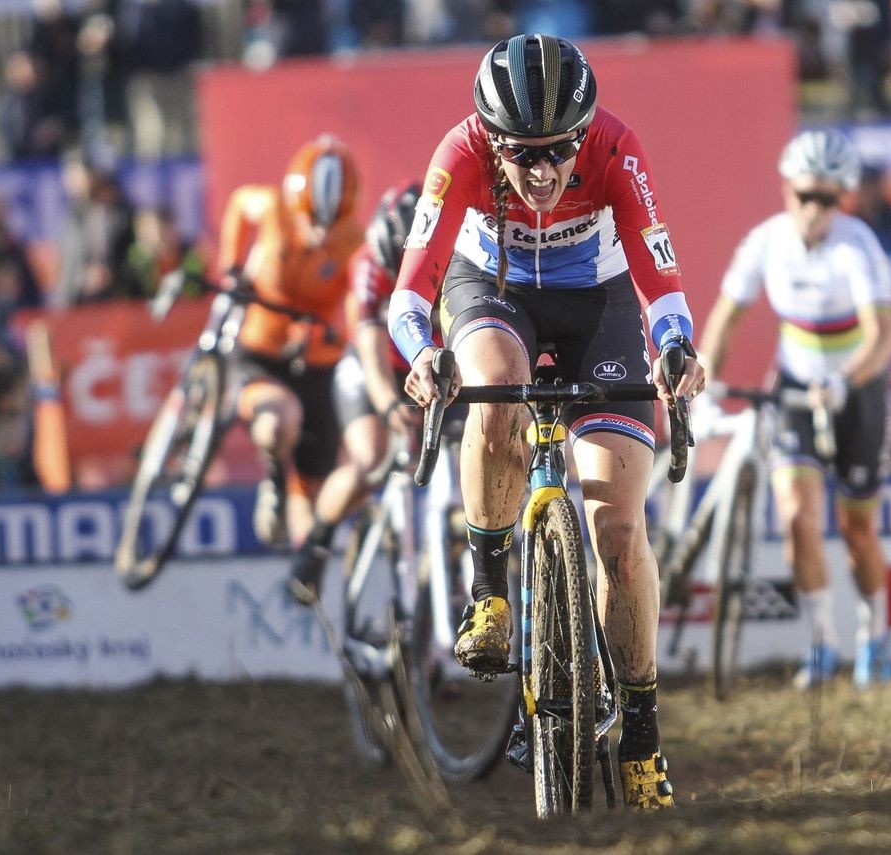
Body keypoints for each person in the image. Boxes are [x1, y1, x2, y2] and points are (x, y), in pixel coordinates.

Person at [386, 34, 705, 809]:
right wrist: (423, 355)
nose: (542, 172)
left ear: (584, 133)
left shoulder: (618, 149)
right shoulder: (457, 153)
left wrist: (674, 348)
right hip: (490, 289)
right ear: (490, 141)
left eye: (559, 151)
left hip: (595, 304)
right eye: (521, 154)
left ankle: (640, 733)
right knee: (495, 385)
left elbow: (660, 280)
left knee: (620, 532)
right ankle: (490, 590)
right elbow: (407, 296)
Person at [697, 129, 891, 690]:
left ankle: (874, 636)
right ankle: (821, 643)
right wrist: (704, 379)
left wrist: (845, 379)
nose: (815, 210)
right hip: (793, 387)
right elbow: (725, 319)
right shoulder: (766, 241)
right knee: (796, 518)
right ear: (787, 191)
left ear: (844, 200)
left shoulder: (856, 246)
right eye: (805, 196)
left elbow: (882, 335)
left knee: (856, 529)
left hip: (857, 389)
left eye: (828, 199)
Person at [216, 134, 365, 566]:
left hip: (317, 363)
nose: (320, 231)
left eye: (331, 221)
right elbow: (239, 206)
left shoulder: (353, 241)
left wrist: (334, 333)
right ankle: (273, 478)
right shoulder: (273, 209)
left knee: (316, 495)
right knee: (280, 419)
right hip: (260, 351)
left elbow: (356, 303)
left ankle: (304, 575)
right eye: (310, 220)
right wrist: (230, 269)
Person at [286, 180, 422, 603]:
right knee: (372, 460)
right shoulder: (367, 263)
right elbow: (368, 343)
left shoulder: (458, 257)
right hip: (371, 367)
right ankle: (316, 544)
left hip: (426, 365)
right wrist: (385, 404)